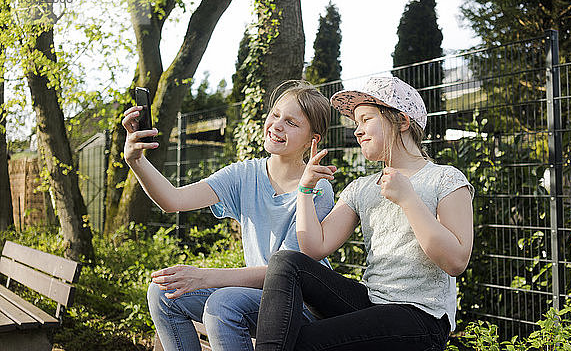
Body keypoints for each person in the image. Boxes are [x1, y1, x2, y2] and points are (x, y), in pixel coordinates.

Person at [254, 76, 475, 351]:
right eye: (356, 123)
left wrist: (408, 200)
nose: (357, 131)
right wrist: (305, 188)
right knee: (287, 263)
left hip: (420, 317)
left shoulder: (445, 179)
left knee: (301, 343)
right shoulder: (361, 188)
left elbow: (455, 261)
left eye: (366, 119)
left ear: (402, 122)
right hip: (371, 303)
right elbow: (314, 248)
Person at [121, 81, 335, 351]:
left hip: (300, 304)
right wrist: (136, 161)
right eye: (275, 114)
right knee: (164, 293)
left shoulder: (316, 188)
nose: (277, 125)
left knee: (223, 304)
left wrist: (204, 277)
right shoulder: (244, 174)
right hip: (254, 298)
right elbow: (173, 200)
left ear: (312, 140)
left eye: (291, 122)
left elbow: (285, 273)